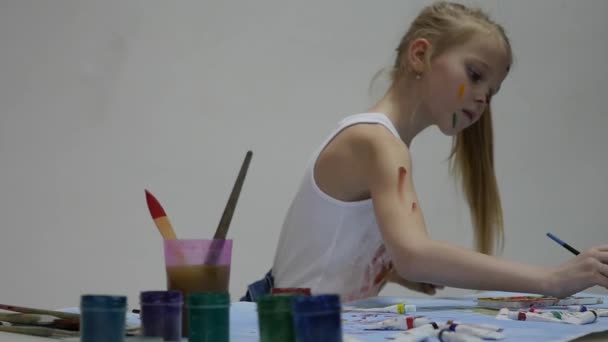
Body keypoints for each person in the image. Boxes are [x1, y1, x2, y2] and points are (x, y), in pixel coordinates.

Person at [241, 1, 608, 302]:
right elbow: (416, 254)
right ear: (420, 55)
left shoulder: (381, 142)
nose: (482, 98)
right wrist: (551, 278)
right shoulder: (378, 143)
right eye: (475, 75)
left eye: (492, 91)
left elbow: (333, 245)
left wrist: (387, 268)